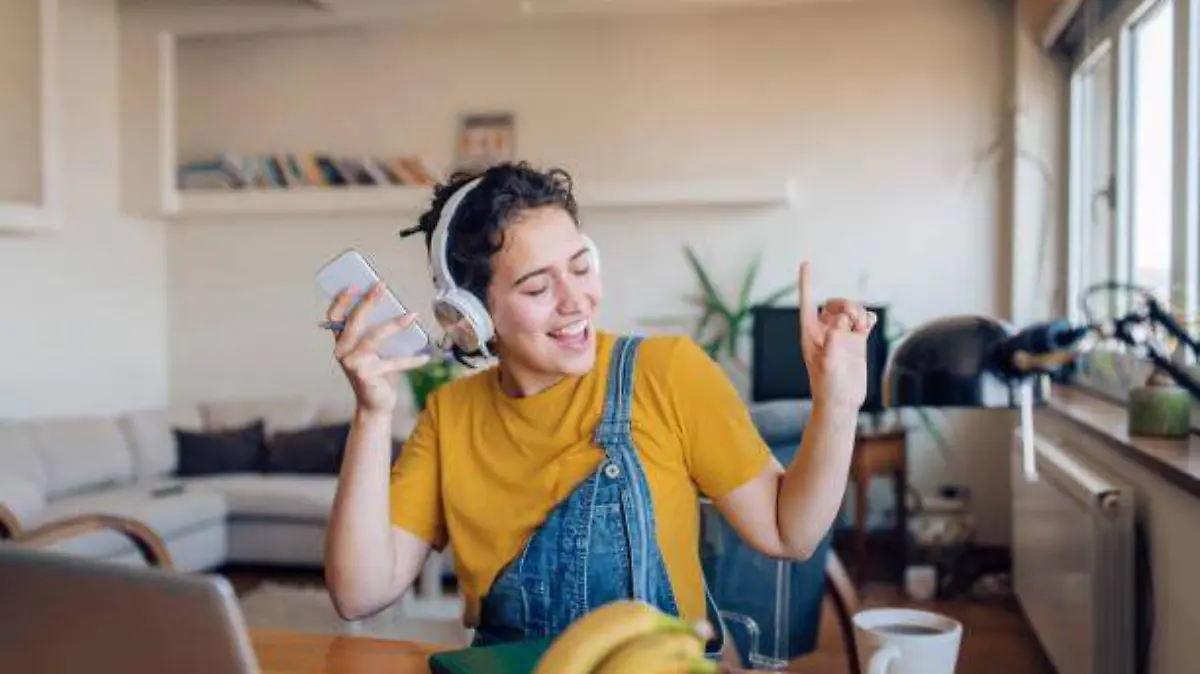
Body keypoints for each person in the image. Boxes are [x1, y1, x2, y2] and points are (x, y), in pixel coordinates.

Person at [322, 161, 875, 656]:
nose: (575, 301)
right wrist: (371, 412)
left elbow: (789, 535)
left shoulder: (667, 372)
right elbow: (357, 593)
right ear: (470, 315)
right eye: (538, 288)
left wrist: (839, 401)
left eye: (581, 266)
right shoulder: (449, 418)